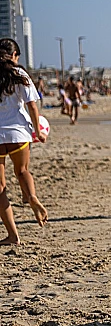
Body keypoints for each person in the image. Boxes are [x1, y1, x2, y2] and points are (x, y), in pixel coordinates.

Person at [0, 38, 48, 245]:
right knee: (22, 171)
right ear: (14, 56)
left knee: (0, 186)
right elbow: (32, 106)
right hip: (18, 133)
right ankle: (32, 198)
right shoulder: (20, 74)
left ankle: (12, 235)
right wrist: (38, 132)